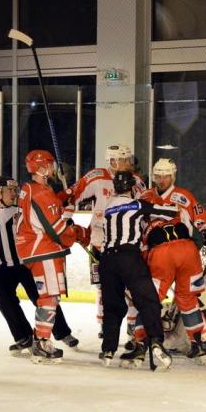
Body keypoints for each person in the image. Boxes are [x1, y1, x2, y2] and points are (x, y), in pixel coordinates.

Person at [128, 158, 206, 366]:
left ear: (173, 176)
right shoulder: (157, 196)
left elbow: (203, 221)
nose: (161, 180)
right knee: (188, 301)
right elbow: (205, 222)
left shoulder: (147, 198)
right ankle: (202, 343)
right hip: (187, 252)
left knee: (150, 300)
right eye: (158, 176)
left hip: (164, 254)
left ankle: (140, 344)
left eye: (165, 176)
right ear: (153, 176)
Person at [0, 176, 78, 356]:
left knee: (43, 298)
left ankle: (63, 333)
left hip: (26, 264)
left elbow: (45, 223)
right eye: (9, 190)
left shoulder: (22, 210)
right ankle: (24, 336)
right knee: (3, 299)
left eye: (15, 189)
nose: (14, 193)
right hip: (1, 268)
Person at [98, 170, 179, 370]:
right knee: (148, 300)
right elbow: (170, 211)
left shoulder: (109, 207)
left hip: (107, 260)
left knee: (113, 307)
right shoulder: (137, 204)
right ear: (132, 187)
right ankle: (157, 341)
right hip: (128, 257)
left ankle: (108, 350)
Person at [15, 150, 89, 364]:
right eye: (50, 164)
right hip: (44, 250)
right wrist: (76, 232)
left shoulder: (31, 189)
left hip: (35, 249)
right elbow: (57, 228)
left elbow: (47, 213)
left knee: (48, 296)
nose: (53, 167)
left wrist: (63, 199)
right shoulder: (41, 193)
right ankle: (41, 342)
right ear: (42, 168)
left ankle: (41, 339)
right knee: (49, 297)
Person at [68, 145, 146, 341]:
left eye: (129, 159)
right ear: (113, 161)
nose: (130, 163)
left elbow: (145, 210)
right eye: (125, 159)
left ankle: (132, 324)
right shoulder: (96, 177)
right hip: (100, 242)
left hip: (128, 243)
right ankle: (105, 324)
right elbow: (71, 196)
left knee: (132, 285)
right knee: (103, 286)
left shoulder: (137, 181)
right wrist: (67, 219)